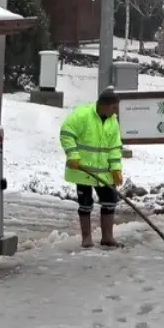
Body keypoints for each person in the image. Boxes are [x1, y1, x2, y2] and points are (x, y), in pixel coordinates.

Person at [59, 87, 125, 248]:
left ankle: (107, 237)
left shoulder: (113, 121)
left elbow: (115, 147)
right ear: (105, 105)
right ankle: (86, 238)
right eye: (114, 107)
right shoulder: (82, 115)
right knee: (85, 204)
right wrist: (73, 156)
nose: (116, 111)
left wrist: (116, 169)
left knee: (110, 201)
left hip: (103, 172)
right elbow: (66, 133)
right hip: (83, 170)